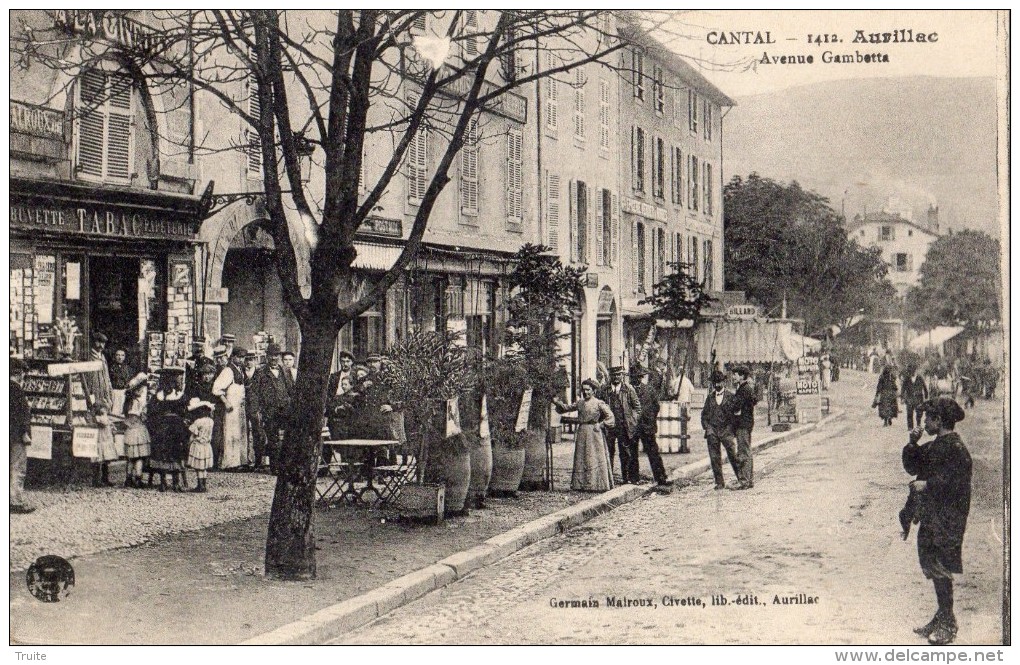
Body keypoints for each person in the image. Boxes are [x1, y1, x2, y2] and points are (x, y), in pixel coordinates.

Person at [902, 397, 972, 645]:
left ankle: (949, 623)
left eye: (927, 419)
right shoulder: (935, 445)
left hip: (948, 519)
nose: (923, 423)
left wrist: (928, 484)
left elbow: (958, 485)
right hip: (934, 517)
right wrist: (912, 443)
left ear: (938, 420)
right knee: (932, 565)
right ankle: (941, 615)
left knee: (940, 568)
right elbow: (913, 466)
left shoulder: (956, 448)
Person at [553, 379, 615, 492]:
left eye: (588, 390)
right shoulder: (580, 402)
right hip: (582, 431)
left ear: (594, 391)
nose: (585, 392)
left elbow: (610, 416)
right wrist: (557, 402)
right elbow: (566, 408)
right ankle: (580, 484)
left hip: (594, 432)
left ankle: (596, 485)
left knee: (593, 456)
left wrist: (601, 425)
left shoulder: (598, 403)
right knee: (581, 457)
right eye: (584, 390)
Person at [251, 343, 294, 472]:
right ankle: (275, 467)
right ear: (267, 356)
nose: (274, 358)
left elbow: (291, 390)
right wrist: (256, 411)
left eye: (276, 355)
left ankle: (286, 465)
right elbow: (254, 393)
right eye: (271, 355)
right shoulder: (260, 372)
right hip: (269, 411)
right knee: (273, 438)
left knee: (288, 438)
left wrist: (292, 406)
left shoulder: (285, 371)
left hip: (285, 410)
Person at [147, 367, 190, 492]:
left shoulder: (158, 396)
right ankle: (170, 482)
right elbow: (184, 412)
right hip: (170, 428)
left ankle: (168, 482)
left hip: (167, 428)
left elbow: (152, 414)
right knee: (170, 453)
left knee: (168, 453)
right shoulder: (173, 396)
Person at [630, 365, 671, 494]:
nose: (636, 380)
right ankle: (633, 477)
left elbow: (656, 407)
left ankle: (660, 477)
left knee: (653, 452)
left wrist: (649, 418)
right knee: (632, 453)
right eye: (633, 378)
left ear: (641, 377)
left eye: (638, 377)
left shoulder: (649, 390)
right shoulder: (627, 391)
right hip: (632, 426)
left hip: (647, 426)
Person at [598, 366, 641, 484]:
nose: (616, 377)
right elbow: (598, 407)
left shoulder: (628, 389)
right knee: (608, 451)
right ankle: (608, 478)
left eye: (618, 375)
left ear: (622, 375)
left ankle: (626, 478)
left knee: (625, 453)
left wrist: (633, 420)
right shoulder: (604, 390)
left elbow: (637, 407)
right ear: (610, 376)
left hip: (624, 426)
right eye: (614, 375)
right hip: (609, 426)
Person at [701, 370, 742, 490]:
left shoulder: (731, 396)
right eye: (715, 383)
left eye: (719, 382)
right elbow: (704, 415)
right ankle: (719, 482)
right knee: (714, 457)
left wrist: (732, 429)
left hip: (726, 430)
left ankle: (741, 478)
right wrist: (707, 428)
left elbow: (736, 415)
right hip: (712, 430)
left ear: (723, 382)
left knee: (733, 455)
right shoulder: (709, 398)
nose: (717, 385)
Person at [213, 347, 252, 469]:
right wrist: (226, 402)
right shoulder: (228, 371)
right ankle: (231, 462)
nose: (241, 360)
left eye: (243, 357)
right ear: (233, 357)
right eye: (239, 357)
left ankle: (241, 461)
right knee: (231, 433)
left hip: (240, 405)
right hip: (231, 406)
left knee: (241, 432)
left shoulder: (240, 370)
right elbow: (216, 389)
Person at [11, 358, 34, 514]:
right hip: (16, 436)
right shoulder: (17, 390)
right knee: (17, 469)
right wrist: (25, 433)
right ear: (19, 374)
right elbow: (21, 415)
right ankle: (15, 501)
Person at [122, 373, 152, 489]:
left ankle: (128, 478)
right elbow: (143, 417)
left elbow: (126, 418)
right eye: (141, 389)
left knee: (130, 457)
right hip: (139, 431)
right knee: (139, 457)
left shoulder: (127, 403)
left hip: (129, 432)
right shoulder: (139, 403)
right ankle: (138, 478)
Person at [730, 366, 756, 489]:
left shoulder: (743, 390)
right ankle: (749, 480)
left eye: (735, 374)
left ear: (741, 376)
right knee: (747, 451)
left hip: (742, 424)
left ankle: (744, 481)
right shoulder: (747, 388)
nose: (733, 377)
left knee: (743, 452)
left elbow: (736, 407)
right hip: (747, 423)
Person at [186, 398, 216, 493]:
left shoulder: (198, 422)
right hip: (207, 445)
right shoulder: (211, 421)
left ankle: (199, 486)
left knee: (199, 467)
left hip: (198, 445)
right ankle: (204, 485)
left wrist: (188, 445)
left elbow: (192, 435)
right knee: (204, 467)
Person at [670, 367, 695, 454]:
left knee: (678, 423)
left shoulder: (676, 381)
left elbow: (674, 391)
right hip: (686, 403)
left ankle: (680, 443)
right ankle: (685, 444)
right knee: (686, 423)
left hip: (679, 404)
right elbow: (692, 390)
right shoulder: (687, 381)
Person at [901, 366, 929, 430]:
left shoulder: (920, 378)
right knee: (909, 413)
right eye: (910, 372)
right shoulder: (907, 379)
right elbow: (903, 388)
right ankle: (910, 427)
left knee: (919, 412)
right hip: (909, 397)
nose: (912, 373)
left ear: (915, 371)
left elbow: (924, 387)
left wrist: (926, 396)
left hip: (918, 398)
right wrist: (902, 397)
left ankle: (918, 425)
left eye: (913, 371)